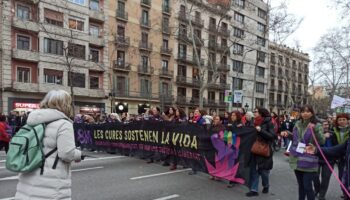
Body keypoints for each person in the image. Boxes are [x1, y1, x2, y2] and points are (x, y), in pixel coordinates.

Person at [15, 89, 82, 199]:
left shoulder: (32, 121)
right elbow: (66, 154)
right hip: (50, 185)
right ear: (65, 104)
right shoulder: (64, 124)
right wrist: (78, 154)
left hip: (27, 179)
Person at [281, 105, 325, 200]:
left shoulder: (317, 125)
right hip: (296, 158)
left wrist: (315, 130)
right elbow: (296, 138)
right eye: (303, 111)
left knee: (307, 186)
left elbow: (322, 141)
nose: (305, 113)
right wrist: (288, 134)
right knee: (301, 186)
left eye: (308, 111)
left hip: (309, 160)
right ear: (300, 113)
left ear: (312, 113)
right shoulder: (297, 123)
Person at [246, 107, 275, 197]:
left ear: (261, 113)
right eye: (254, 111)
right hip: (254, 148)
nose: (254, 113)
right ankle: (254, 190)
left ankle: (266, 185)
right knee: (254, 170)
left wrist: (260, 130)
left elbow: (272, 136)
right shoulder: (252, 122)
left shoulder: (269, 122)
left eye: (256, 112)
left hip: (264, 148)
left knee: (263, 171)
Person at [313, 119, 335, 200]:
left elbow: (336, 146)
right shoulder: (315, 135)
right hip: (316, 159)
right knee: (315, 176)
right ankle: (317, 189)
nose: (325, 126)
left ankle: (322, 195)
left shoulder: (333, 134)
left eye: (326, 125)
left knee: (325, 179)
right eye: (323, 125)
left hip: (329, 160)